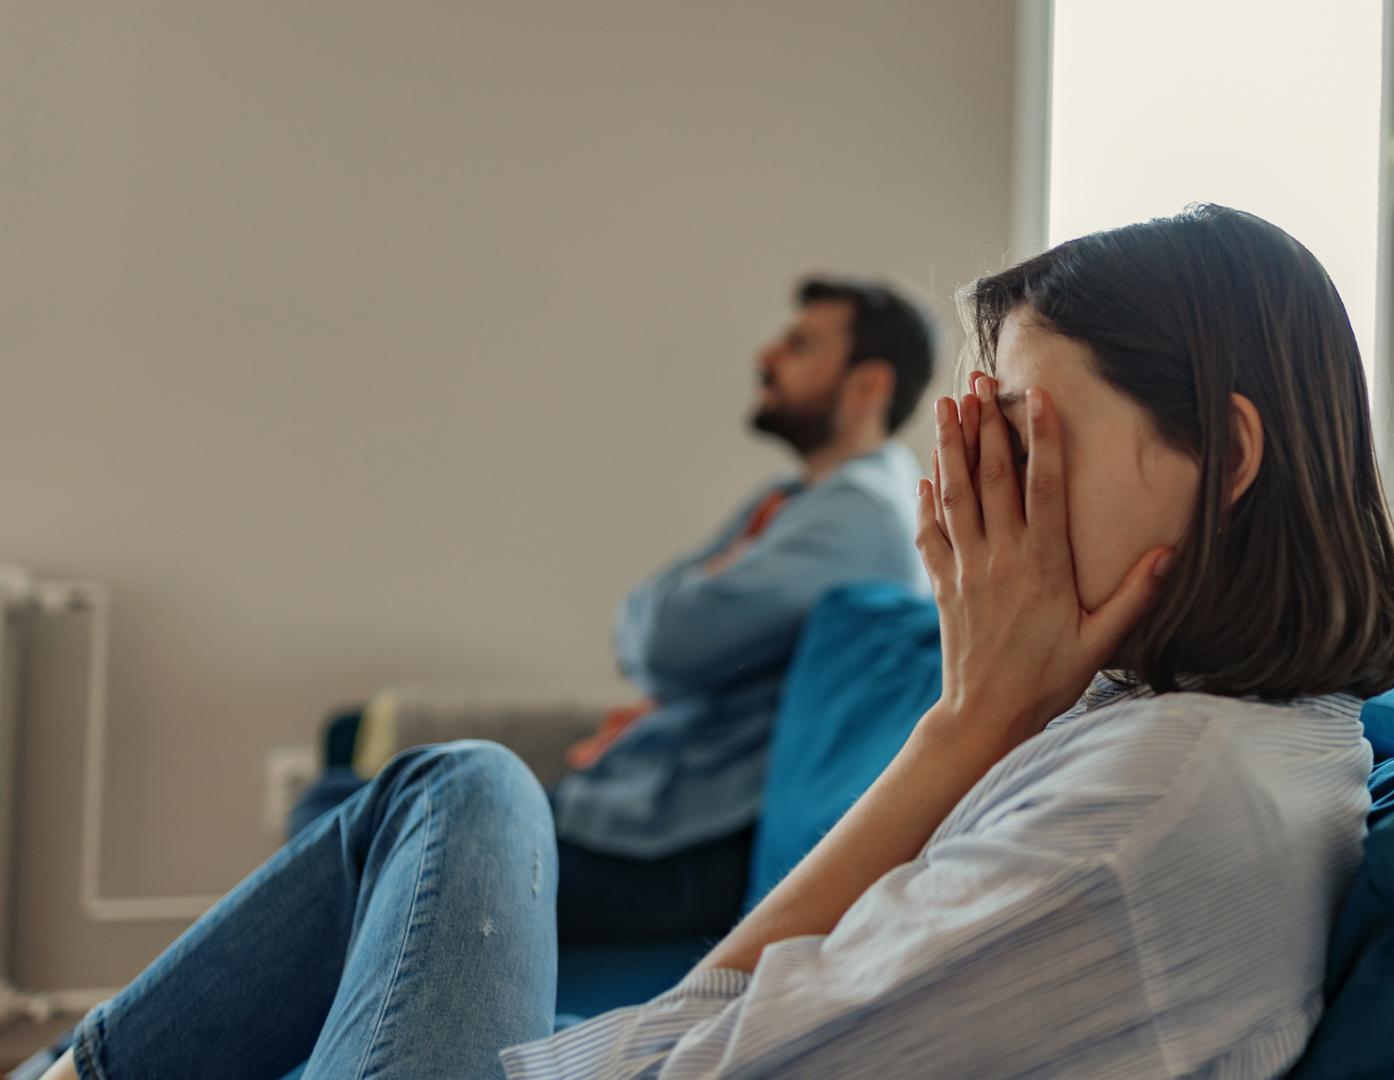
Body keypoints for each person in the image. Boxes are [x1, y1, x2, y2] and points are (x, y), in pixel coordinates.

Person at [33, 205, 1394, 1080]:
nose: (980, 494)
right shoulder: (1186, 732)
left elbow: (682, 1048)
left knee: (455, 790)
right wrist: (975, 722)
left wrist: (968, 726)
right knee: (436, 799)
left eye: (1023, 439)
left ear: (1223, 454)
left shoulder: (1151, 804)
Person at [282, 277, 935, 942]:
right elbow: (646, 623)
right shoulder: (794, 500)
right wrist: (679, 613)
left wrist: (684, 609)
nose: (765, 356)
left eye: (800, 345)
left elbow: (662, 641)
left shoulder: (861, 519)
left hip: (680, 848)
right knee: (342, 802)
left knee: (338, 817)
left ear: (867, 386)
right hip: (644, 815)